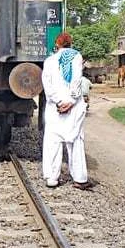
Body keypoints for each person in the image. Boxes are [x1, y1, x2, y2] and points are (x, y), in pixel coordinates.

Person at [41, 32, 90, 190]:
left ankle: (52, 178)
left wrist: (58, 101)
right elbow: (76, 80)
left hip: (55, 107)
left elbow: (47, 85)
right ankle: (80, 179)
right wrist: (71, 101)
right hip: (73, 107)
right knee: (75, 141)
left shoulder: (49, 61)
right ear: (70, 43)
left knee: (52, 142)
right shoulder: (76, 57)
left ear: (57, 44)